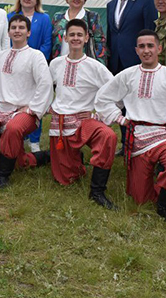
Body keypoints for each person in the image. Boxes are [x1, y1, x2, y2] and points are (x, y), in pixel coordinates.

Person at [96, 30, 166, 224]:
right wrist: (119, 119)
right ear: (136, 50)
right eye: (142, 46)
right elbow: (103, 98)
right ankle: (157, 187)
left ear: (159, 48)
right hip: (137, 136)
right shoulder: (128, 75)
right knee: (140, 199)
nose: (146, 50)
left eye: (150, 46)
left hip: (164, 134)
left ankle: (165, 205)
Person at [47, 19, 117, 209]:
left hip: (83, 122)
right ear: (66, 38)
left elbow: (116, 91)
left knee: (107, 136)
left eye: (80, 34)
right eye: (72, 35)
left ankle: (97, 191)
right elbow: (43, 87)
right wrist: (47, 106)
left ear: (86, 38)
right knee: (66, 179)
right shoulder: (55, 64)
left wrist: (97, 114)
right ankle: (51, 157)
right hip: (60, 125)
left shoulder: (95, 66)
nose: (76, 38)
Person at [0, 15, 53, 188]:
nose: (17, 30)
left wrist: (31, 108)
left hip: (24, 112)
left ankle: (2, 175)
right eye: (14, 27)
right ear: (8, 32)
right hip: (0, 110)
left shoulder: (36, 56)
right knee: (21, 162)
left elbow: (45, 83)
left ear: (29, 32)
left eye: (21, 27)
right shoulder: (1, 55)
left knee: (12, 129)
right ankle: (46, 156)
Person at [106, 0, 157, 156]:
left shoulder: (145, 1)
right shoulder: (111, 4)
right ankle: (126, 142)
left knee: (139, 102)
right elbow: (113, 34)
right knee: (121, 103)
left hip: (137, 60)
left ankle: (141, 141)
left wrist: (147, 58)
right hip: (117, 62)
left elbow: (150, 32)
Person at [8, 0, 52, 152]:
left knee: (35, 102)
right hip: (15, 66)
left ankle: (34, 140)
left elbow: (47, 43)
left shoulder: (44, 18)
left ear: (36, 0)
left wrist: (34, 60)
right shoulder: (11, 15)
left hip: (36, 65)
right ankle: (19, 134)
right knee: (17, 100)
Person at [50, 0, 106, 64]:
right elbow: (52, 42)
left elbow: (100, 44)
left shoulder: (92, 17)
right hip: (60, 64)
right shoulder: (57, 17)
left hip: (85, 66)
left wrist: (99, 66)